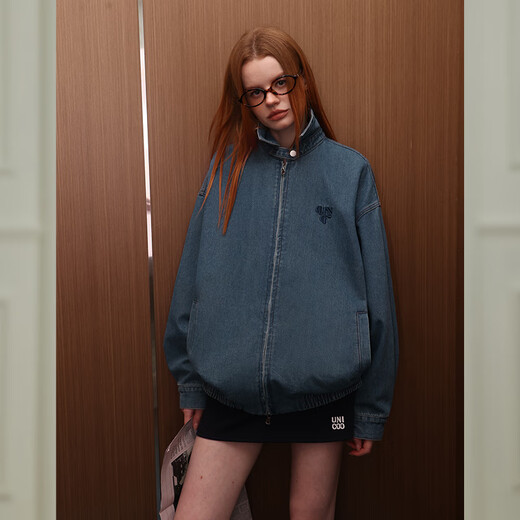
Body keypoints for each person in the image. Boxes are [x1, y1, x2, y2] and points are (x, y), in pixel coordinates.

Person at [163, 26, 399, 520]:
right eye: (255, 92)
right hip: (231, 389)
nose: (271, 99)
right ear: (245, 102)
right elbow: (190, 279)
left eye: (279, 83)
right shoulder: (225, 172)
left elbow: (378, 299)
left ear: (301, 80)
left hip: (323, 390)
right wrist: (189, 382)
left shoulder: (350, 173)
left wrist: (370, 410)